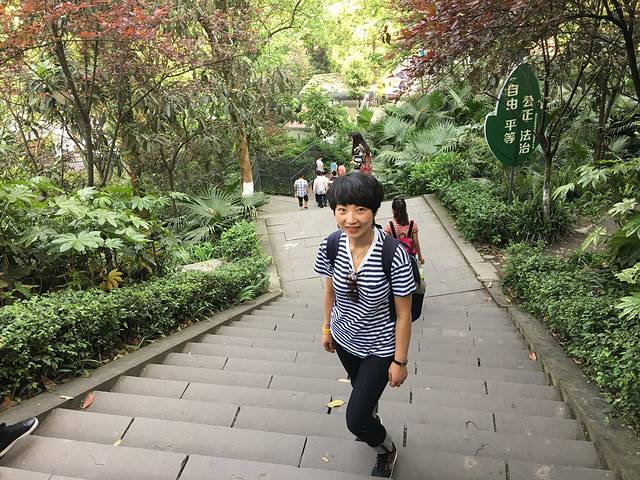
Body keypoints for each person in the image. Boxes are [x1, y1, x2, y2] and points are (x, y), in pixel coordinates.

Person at [314, 173, 416, 478]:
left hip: (380, 347)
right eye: (342, 209)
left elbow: (404, 315)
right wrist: (327, 328)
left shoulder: (393, 255)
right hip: (344, 340)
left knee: (356, 419)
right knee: (362, 396)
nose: (351, 219)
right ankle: (370, 419)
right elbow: (329, 290)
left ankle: (386, 449)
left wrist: (400, 361)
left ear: (373, 210)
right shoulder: (331, 244)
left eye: (360, 209)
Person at [383, 198, 425, 265]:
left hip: (397, 256)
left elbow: (385, 243)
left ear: (393, 210)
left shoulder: (389, 226)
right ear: (405, 209)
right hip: (410, 254)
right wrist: (420, 257)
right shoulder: (412, 225)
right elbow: (416, 242)